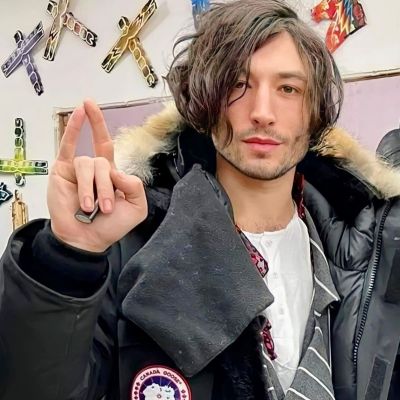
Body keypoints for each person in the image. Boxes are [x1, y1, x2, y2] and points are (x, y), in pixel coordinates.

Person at [0, 1, 399, 399]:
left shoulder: (374, 254)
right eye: (237, 85)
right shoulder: (132, 245)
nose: (262, 112)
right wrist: (66, 258)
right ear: (206, 102)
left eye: (288, 89)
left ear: (313, 112)